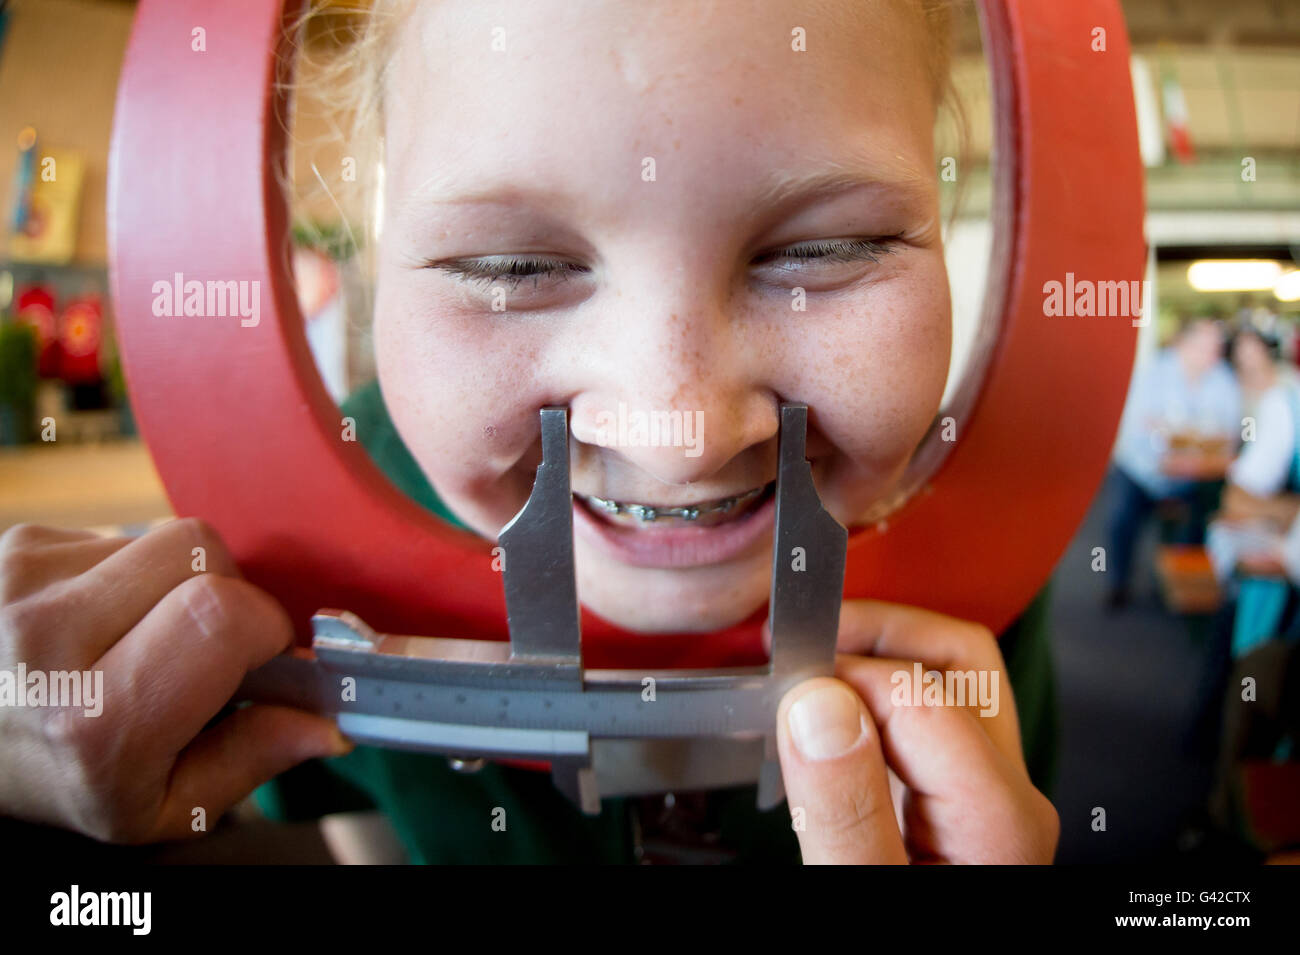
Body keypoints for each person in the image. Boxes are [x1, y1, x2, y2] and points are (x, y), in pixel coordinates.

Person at [0, 0, 1059, 863]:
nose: (677, 432)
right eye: (511, 269)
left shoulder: (974, 572)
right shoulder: (302, 552)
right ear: (378, 230)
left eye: (832, 248)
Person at [1107, 318, 1241, 609]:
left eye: (1216, 348)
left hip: (1192, 477)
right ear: (1185, 344)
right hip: (1142, 471)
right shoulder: (1153, 374)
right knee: (1122, 521)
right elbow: (1138, 430)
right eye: (1206, 347)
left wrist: (1179, 435)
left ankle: (1174, 583)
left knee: (1200, 518)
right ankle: (1118, 582)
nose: (1212, 354)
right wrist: (1183, 439)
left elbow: (1228, 433)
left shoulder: (1223, 380)